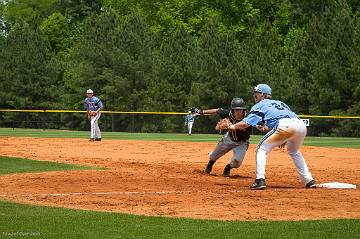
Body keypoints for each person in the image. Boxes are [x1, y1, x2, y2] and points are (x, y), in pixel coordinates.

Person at [227, 84, 316, 190]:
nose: (254, 95)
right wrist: (283, 136)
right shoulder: (280, 103)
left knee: (261, 148)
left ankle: (260, 180)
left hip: (285, 125)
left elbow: (245, 124)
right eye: (255, 93)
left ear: (264, 95)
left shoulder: (260, 105)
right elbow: (272, 124)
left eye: (257, 93)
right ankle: (309, 180)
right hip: (300, 125)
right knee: (294, 151)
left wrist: (232, 126)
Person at [193, 98, 252, 177]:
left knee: (237, 163)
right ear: (232, 109)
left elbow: (260, 122)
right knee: (213, 155)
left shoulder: (249, 117)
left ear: (243, 109)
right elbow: (217, 111)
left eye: (240, 109)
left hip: (242, 142)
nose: (238, 111)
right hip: (229, 139)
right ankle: (210, 164)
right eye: (236, 109)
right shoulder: (228, 113)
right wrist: (201, 112)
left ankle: (228, 167)